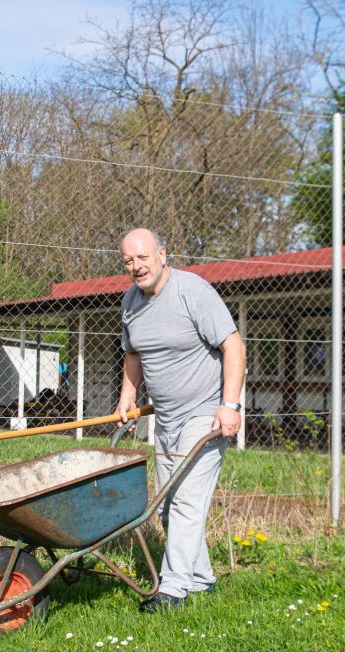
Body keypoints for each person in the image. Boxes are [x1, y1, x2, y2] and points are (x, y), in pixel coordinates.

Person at [115, 228, 246, 613]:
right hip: (167, 419)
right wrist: (127, 394)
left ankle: (172, 590)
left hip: (205, 413)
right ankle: (201, 580)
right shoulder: (130, 301)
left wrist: (230, 405)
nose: (137, 266)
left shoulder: (193, 292)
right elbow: (133, 353)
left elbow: (234, 346)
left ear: (162, 254)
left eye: (143, 257)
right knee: (166, 505)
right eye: (128, 260)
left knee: (186, 499)